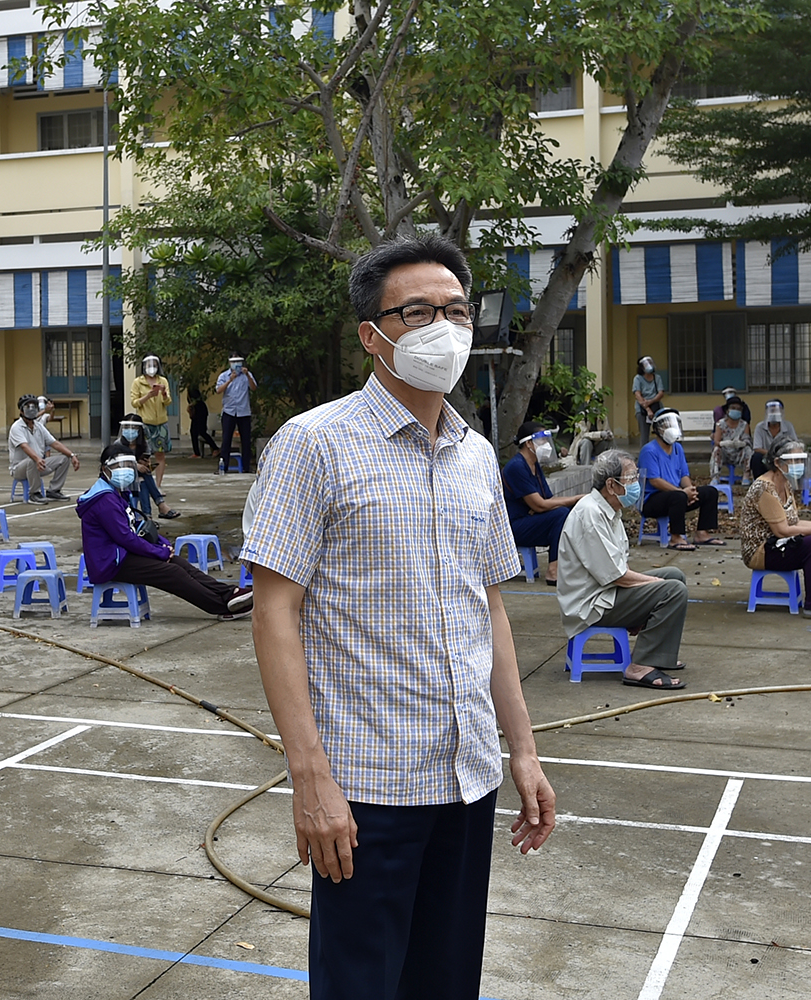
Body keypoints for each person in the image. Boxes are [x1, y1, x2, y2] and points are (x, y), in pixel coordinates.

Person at [243, 235, 555, 999]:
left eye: (456, 310)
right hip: (367, 784)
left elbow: (489, 609)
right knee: (361, 984)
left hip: (467, 772)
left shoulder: (477, 454)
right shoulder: (313, 444)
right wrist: (310, 778)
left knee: (445, 981)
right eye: (417, 311)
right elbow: (273, 612)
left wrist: (522, 750)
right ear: (372, 334)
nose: (441, 328)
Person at [558, 449, 689, 690]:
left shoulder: (610, 511)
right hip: (592, 603)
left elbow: (620, 566)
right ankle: (640, 666)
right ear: (611, 484)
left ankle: (660, 653)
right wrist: (654, 588)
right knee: (672, 590)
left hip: (605, 591)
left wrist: (649, 591)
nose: (636, 484)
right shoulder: (591, 514)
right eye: (630, 479)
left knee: (674, 576)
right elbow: (617, 576)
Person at [78, 443, 252, 620]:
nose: (124, 471)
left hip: (121, 555)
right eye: (117, 467)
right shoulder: (104, 500)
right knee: (172, 572)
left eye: (128, 467)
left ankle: (229, 593)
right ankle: (222, 607)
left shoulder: (114, 493)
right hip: (110, 563)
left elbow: (134, 525)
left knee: (177, 562)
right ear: (104, 469)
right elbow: (126, 538)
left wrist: (161, 543)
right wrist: (158, 552)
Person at [739, 436, 811, 619]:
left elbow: (795, 522)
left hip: (779, 543)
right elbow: (782, 530)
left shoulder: (785, 483)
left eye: (800, 460)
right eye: (794, 461)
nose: (799, 464)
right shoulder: (765, 488)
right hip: (761, 550)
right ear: (777, 462)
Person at [502, 420, 581, 586]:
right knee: (560, 513)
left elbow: (548, 500)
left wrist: (575, 502)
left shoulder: (534, 466)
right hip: (514, 527)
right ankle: (553, 571)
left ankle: (569, 565)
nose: (547, 445)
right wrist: (574, 498)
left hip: (530, 520)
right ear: (529, 443)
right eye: (543, 441)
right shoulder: (517, 467)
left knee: (570, 512)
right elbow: (539, 505)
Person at [639, 407, 723, 550]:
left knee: (710, 492)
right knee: (678, 496)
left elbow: (684, 474)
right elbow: (655, 481)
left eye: (674, 423)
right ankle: (676, 538)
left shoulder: (678, 448)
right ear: (658, 429)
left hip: (676, 495)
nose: (671, 427)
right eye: (667, 424)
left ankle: (702, 533)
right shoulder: (649, 450)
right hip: (652, 500)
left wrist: (690, 490)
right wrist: (682, 493)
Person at [8, 393, 79, 503]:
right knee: (31, 460)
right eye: (28, 407)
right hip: (20, 468)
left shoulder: (38, 426)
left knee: (64, 459)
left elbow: (54, 443)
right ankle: (34, 494)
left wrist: (72, 455)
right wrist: (37, 459)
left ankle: (53, 491)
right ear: (21, 411)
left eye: (33, 407)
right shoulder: (17, 427)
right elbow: (24, 446)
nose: (31, 410)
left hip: (39, 464)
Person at [118, 415, 183, 519]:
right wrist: (136, 465)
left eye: (133, 428)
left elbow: (146, 459)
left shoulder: (144, 445)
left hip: (138, 477)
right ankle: (157, 508)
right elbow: (118, 463)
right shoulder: (118, 445)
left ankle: (148, 516)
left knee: (143, 478)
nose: (129, 431)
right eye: (127, 427)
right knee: (143, 479)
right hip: (123, 477)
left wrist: (146, 464)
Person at [131, 354, 173, 487]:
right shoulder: (138, 382)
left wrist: (164, 394)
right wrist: (148, 396)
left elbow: (168, 402)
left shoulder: (163, 381)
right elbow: (134, 402)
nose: (152, 368)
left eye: (154, 365)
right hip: (145, 423)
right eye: (149, 365)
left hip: (161, 422)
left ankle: (158, 485)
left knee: (160, 455)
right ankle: (146, 484)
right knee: (145, 455)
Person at [214, 353, 256, 473]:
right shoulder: (224, 375)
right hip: (229, 411)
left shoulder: (246, 375)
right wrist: (229, 380)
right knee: (226, 439)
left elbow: (253, 388)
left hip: (244, 411)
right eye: (234, 362)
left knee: (246, 440)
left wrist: (247, 374)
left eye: (238, 361)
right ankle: (224, 466)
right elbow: (218, 390)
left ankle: (246, 467)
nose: (236, 364)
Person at [750, 398, 797, 479]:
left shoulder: (788, 426)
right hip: (766, 457)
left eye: (777, 411)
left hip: (784, 458)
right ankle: (759, 481)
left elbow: (795, 444)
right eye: (771, 411)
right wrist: (772, 454)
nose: (774, 414)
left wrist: (782, 455)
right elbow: (757, 448)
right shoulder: (760, 427)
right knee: (756, 457)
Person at [711, 396, 753, 482]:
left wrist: (741, 443)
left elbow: (747, 440)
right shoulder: (720, 424)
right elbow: (716, 441)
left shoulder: (744, 424)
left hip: (739, 454)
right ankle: (715, 477)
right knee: (716, 450)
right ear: (727, 410)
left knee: (748, 450)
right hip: (725, 453)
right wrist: (725, 443)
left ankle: (746, 476)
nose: (736, 410)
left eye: (738, 409)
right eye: (733, 408)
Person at [632, 355, 665, 441]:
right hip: (642, 408)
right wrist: (647, 409)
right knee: (644, 434)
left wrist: (651, 401)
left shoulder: (657, 378)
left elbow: (661, 393)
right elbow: (637, 395)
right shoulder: (638, 379)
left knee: (661, 431)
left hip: (656, 406)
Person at [189, 386, 219, 459]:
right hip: (199, 411)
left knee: (201, 431)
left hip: (200, 411)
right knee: (195, 432)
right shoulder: (195, 400)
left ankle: (215, 448)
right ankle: (197, 452)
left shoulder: (197, 402)